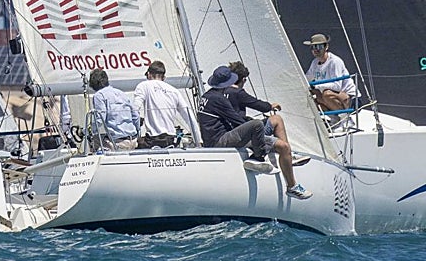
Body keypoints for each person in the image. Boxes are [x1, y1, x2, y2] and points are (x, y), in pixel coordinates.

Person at [199, 64, 312, 200]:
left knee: (283, 146)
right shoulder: (219, 98)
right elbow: (238, 121)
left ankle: (291, 182)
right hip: (220, 141)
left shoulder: (207, 96)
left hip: (217, 138)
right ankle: (258, 157)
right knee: (257, 124)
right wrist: (256, 135)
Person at [133, 61, 198, 148]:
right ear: (164, 77)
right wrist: (198, 141)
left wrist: (135, 126)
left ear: (148, 74)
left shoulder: (143, 86)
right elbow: (189, 117)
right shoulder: (174, 91)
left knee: (136, 144)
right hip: (170, 139)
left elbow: (134, 109)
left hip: (152, 140)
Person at [303, 33, 358, 114]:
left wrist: (316, 86)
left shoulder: (335, 61)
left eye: (319, 46)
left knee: (327, 94)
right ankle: (334, 118)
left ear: (326, 47)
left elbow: (337, 86)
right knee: (311, 94)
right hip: (332, 99)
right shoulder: (314, 63)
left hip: (351, 99)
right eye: (313, 47)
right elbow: (307, 78)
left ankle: (346, 118)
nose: (316, 50)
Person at [89, 68, 139, 150]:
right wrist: (137, 134)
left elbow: (99, 120)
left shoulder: (99, 95)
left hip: (118, 143)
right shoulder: (121, 93)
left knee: (95, 140)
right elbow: (136, 116)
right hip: (133, 140)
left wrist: (87, 131)